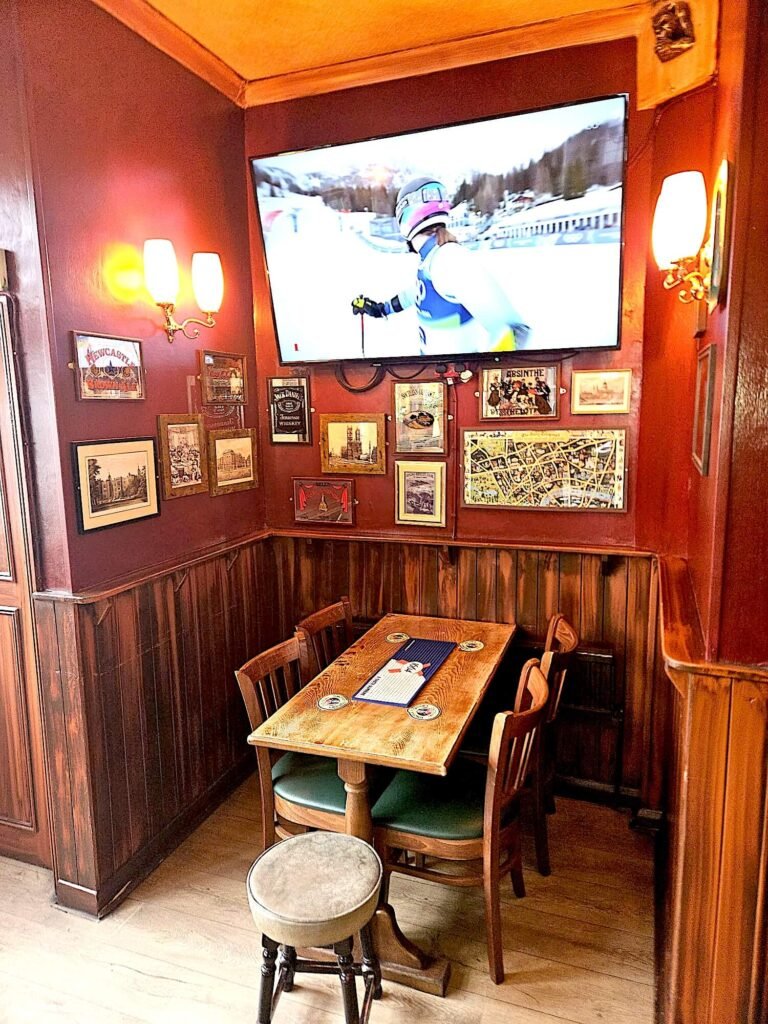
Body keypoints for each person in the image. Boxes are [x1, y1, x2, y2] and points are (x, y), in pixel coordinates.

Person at [352, 177, 530, 354]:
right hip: (435, 375)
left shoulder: (448, 258)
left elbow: (513, 332)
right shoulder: (432, 259)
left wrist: (477, 378)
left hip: (452, 378)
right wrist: (380, 308)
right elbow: (416, 293)